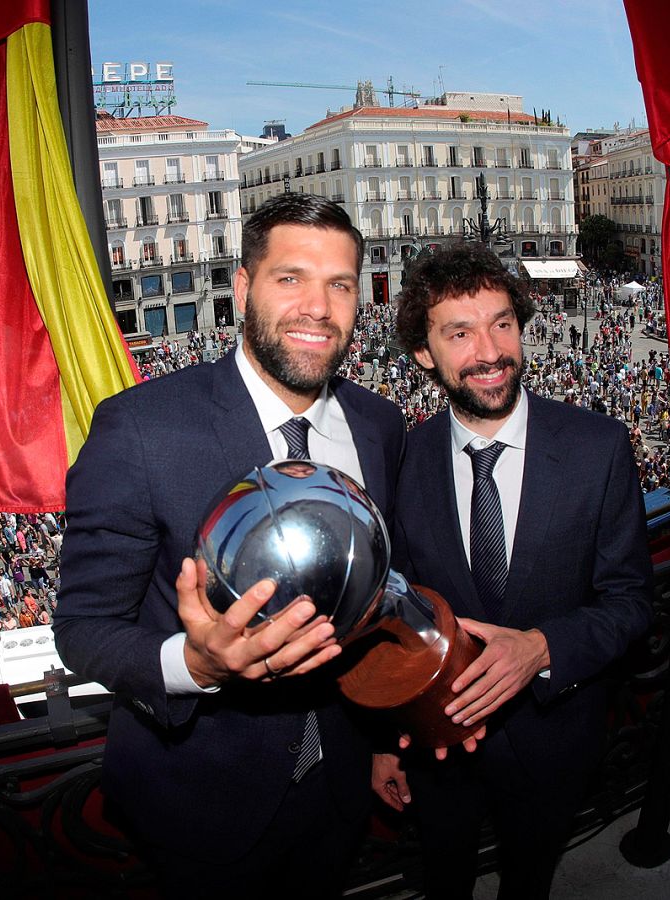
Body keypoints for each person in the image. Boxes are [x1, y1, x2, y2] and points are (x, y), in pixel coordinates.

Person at [53, 194, 406, 897]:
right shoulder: (141, 429)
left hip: (340, 786)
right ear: (243, 287)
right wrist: (196, 664)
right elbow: (84, 631)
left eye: (339, 284)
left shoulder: (380, 425)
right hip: (199, 803)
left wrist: (384, 740)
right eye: (290, 278)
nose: (318, 307)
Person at [370, 244, 653, 898]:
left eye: (502, 323)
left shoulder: (597, 448)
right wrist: (386, 740)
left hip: (555, 740)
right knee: (443, 880)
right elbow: (393, 617)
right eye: (459, 332)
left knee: (530, 883)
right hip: (438, 745)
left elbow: (632, 602)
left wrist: (543, 649)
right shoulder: (403, 463)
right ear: (424, 352)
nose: (490, 350)